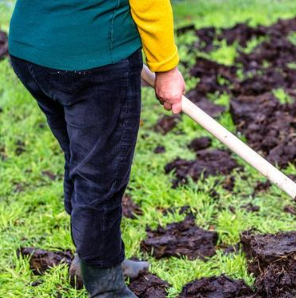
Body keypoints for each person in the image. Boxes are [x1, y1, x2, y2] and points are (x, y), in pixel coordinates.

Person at [8, 0, 186, 297]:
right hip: (93, 60)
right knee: (100, 175)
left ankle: (92, 259)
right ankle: (106, 286)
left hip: (32, 51)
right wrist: (166, 67)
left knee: (82, 156)